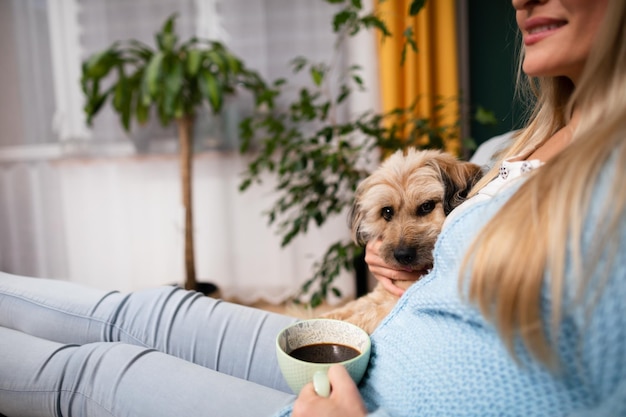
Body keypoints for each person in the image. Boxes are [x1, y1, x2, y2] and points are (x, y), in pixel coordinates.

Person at [0, 0, 624, 415]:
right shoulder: (523, 143)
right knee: (151, 312)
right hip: (359, 351)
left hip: (361, 400)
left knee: (94, 374)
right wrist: (413, 281)